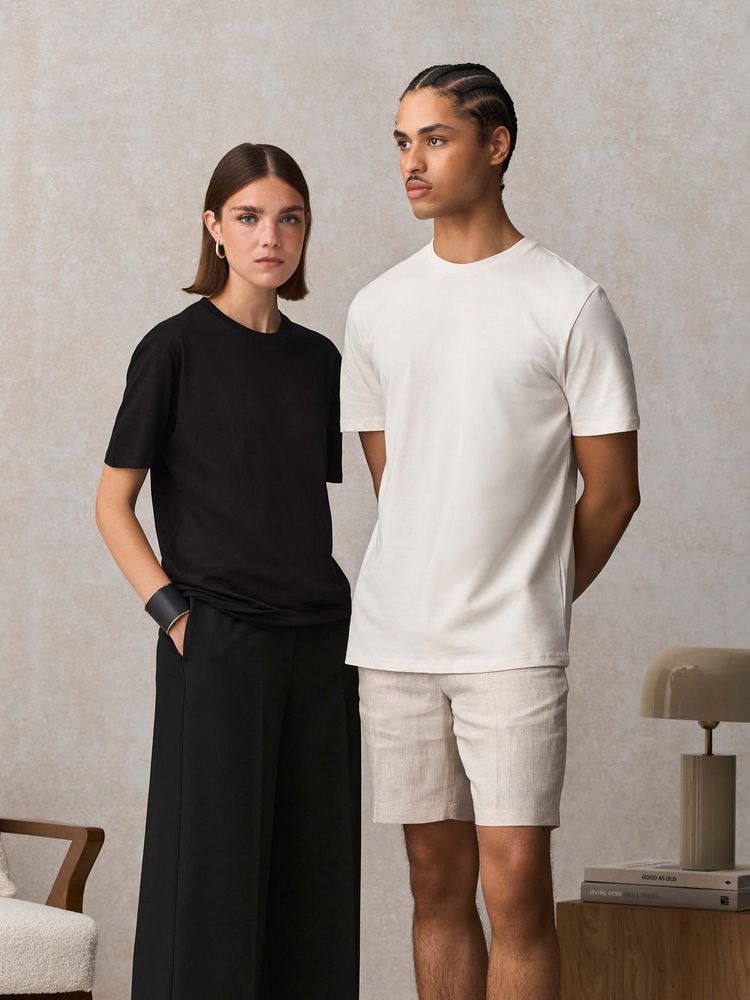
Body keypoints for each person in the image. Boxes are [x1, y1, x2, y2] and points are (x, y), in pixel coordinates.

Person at [340, 63, 640, 1000]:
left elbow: (613, 493)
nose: (412, 162)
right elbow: (398, 483)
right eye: (402, 141)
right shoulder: (376, 307)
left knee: (517, 892)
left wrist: (531, 592)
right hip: (396, 641)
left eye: (435, 139)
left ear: (496, 145)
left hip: (511, 647)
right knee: (434, 885)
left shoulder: (568, 301)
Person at [95, 142, 360, 1000]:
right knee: (206, 890)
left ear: (305, 231)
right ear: (214, 228)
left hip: (321, 648)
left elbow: (287, 500)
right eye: (248, 218)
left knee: (313, 893)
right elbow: (112, 504)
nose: (269, 237)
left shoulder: (320, 361)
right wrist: (176, 616)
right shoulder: (171, 349)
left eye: (288, 219)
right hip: (217, 642)